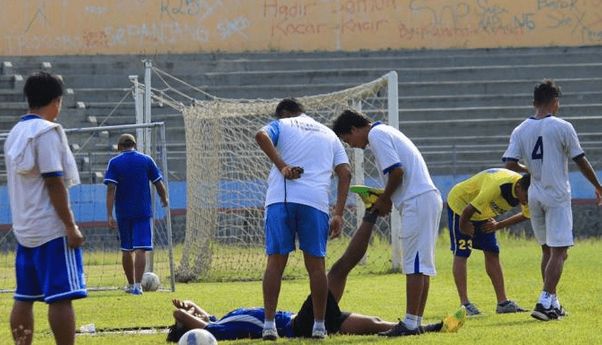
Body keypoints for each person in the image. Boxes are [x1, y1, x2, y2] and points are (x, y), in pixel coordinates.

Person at [166, 212, 466, 342]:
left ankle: (432, 329)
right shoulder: (217, 333)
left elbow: (201, 314)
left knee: (377, 326)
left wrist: (192, 307)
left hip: (308, 319)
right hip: (302, 325)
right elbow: (187, 316)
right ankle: (371, 215)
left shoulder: (221, 322)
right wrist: (184, 316)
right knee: (338, 269)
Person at [332, 109, 443, 336]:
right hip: (423, 198)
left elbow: (397, 172)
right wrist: (387, 199)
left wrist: (384, 200)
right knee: (421, 265)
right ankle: (415, 321)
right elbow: (400, 173)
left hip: (417, 200)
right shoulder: (385, 132)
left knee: (414, 264)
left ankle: (410, 324)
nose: (351, 145)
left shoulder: (377, 135)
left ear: (354, 129)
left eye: (348, 139)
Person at [502, 79, 602, 321]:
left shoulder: (520, 129)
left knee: (547, 250)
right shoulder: (562, 126)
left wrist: (532, 171)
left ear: (534, 102)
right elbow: (580, 160)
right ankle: (545, 299)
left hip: (535, 194)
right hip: (556, 194)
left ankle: (553, 302)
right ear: (555, 102)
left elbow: (509, 163)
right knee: (559, 251)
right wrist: (598, 187)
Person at [255, 98, 352, 339]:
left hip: (281, 200)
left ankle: (269, 326)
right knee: (316, 268)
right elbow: (345, 172)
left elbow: (260, 135)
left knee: (275, 264)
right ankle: (319, 327)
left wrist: (283, 166)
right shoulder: (329, 134)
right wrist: (338, 213)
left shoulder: (284, 124)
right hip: (315, 203)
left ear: (285, 114)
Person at [4, 72, 87, 345]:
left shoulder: (15, 133)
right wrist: (70, 225)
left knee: (24, 297)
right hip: (52, 229)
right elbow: (53, 182)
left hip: (25, 229)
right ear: (56, 101)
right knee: (61, 297)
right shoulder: (47, 132)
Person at [447, 168, 530, 316]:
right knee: (462, 252)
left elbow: (526, 214)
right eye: (526, 196)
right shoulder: (496, 186)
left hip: (482, 213)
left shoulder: (527, 188)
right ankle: (465, 304)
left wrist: (498, 225)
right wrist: (464, 225)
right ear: (518, 187)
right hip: (461, 206)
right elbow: (468, 209)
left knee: (492, 252)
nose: (527, 200)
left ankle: (503, 303)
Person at [104, 133, 169, 295]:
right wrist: (164, 198)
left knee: (126, 249)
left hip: (123, 212)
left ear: (119, 147)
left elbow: (111, 189)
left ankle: (130, 283)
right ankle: (138, 286)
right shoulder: (146, 160)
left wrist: (109, 214)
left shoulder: (114, 162)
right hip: (142, 211)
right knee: (141, 248)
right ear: (135, 144)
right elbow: (158, 183)